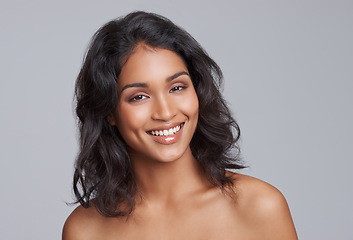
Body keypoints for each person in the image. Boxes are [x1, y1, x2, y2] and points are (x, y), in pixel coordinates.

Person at [62, 11, 298, 240]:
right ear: (109, 111)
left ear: (197, 91)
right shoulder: (84, 230)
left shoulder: (260, 207)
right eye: (139, 96)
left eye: (177, 88)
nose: (165, 113)